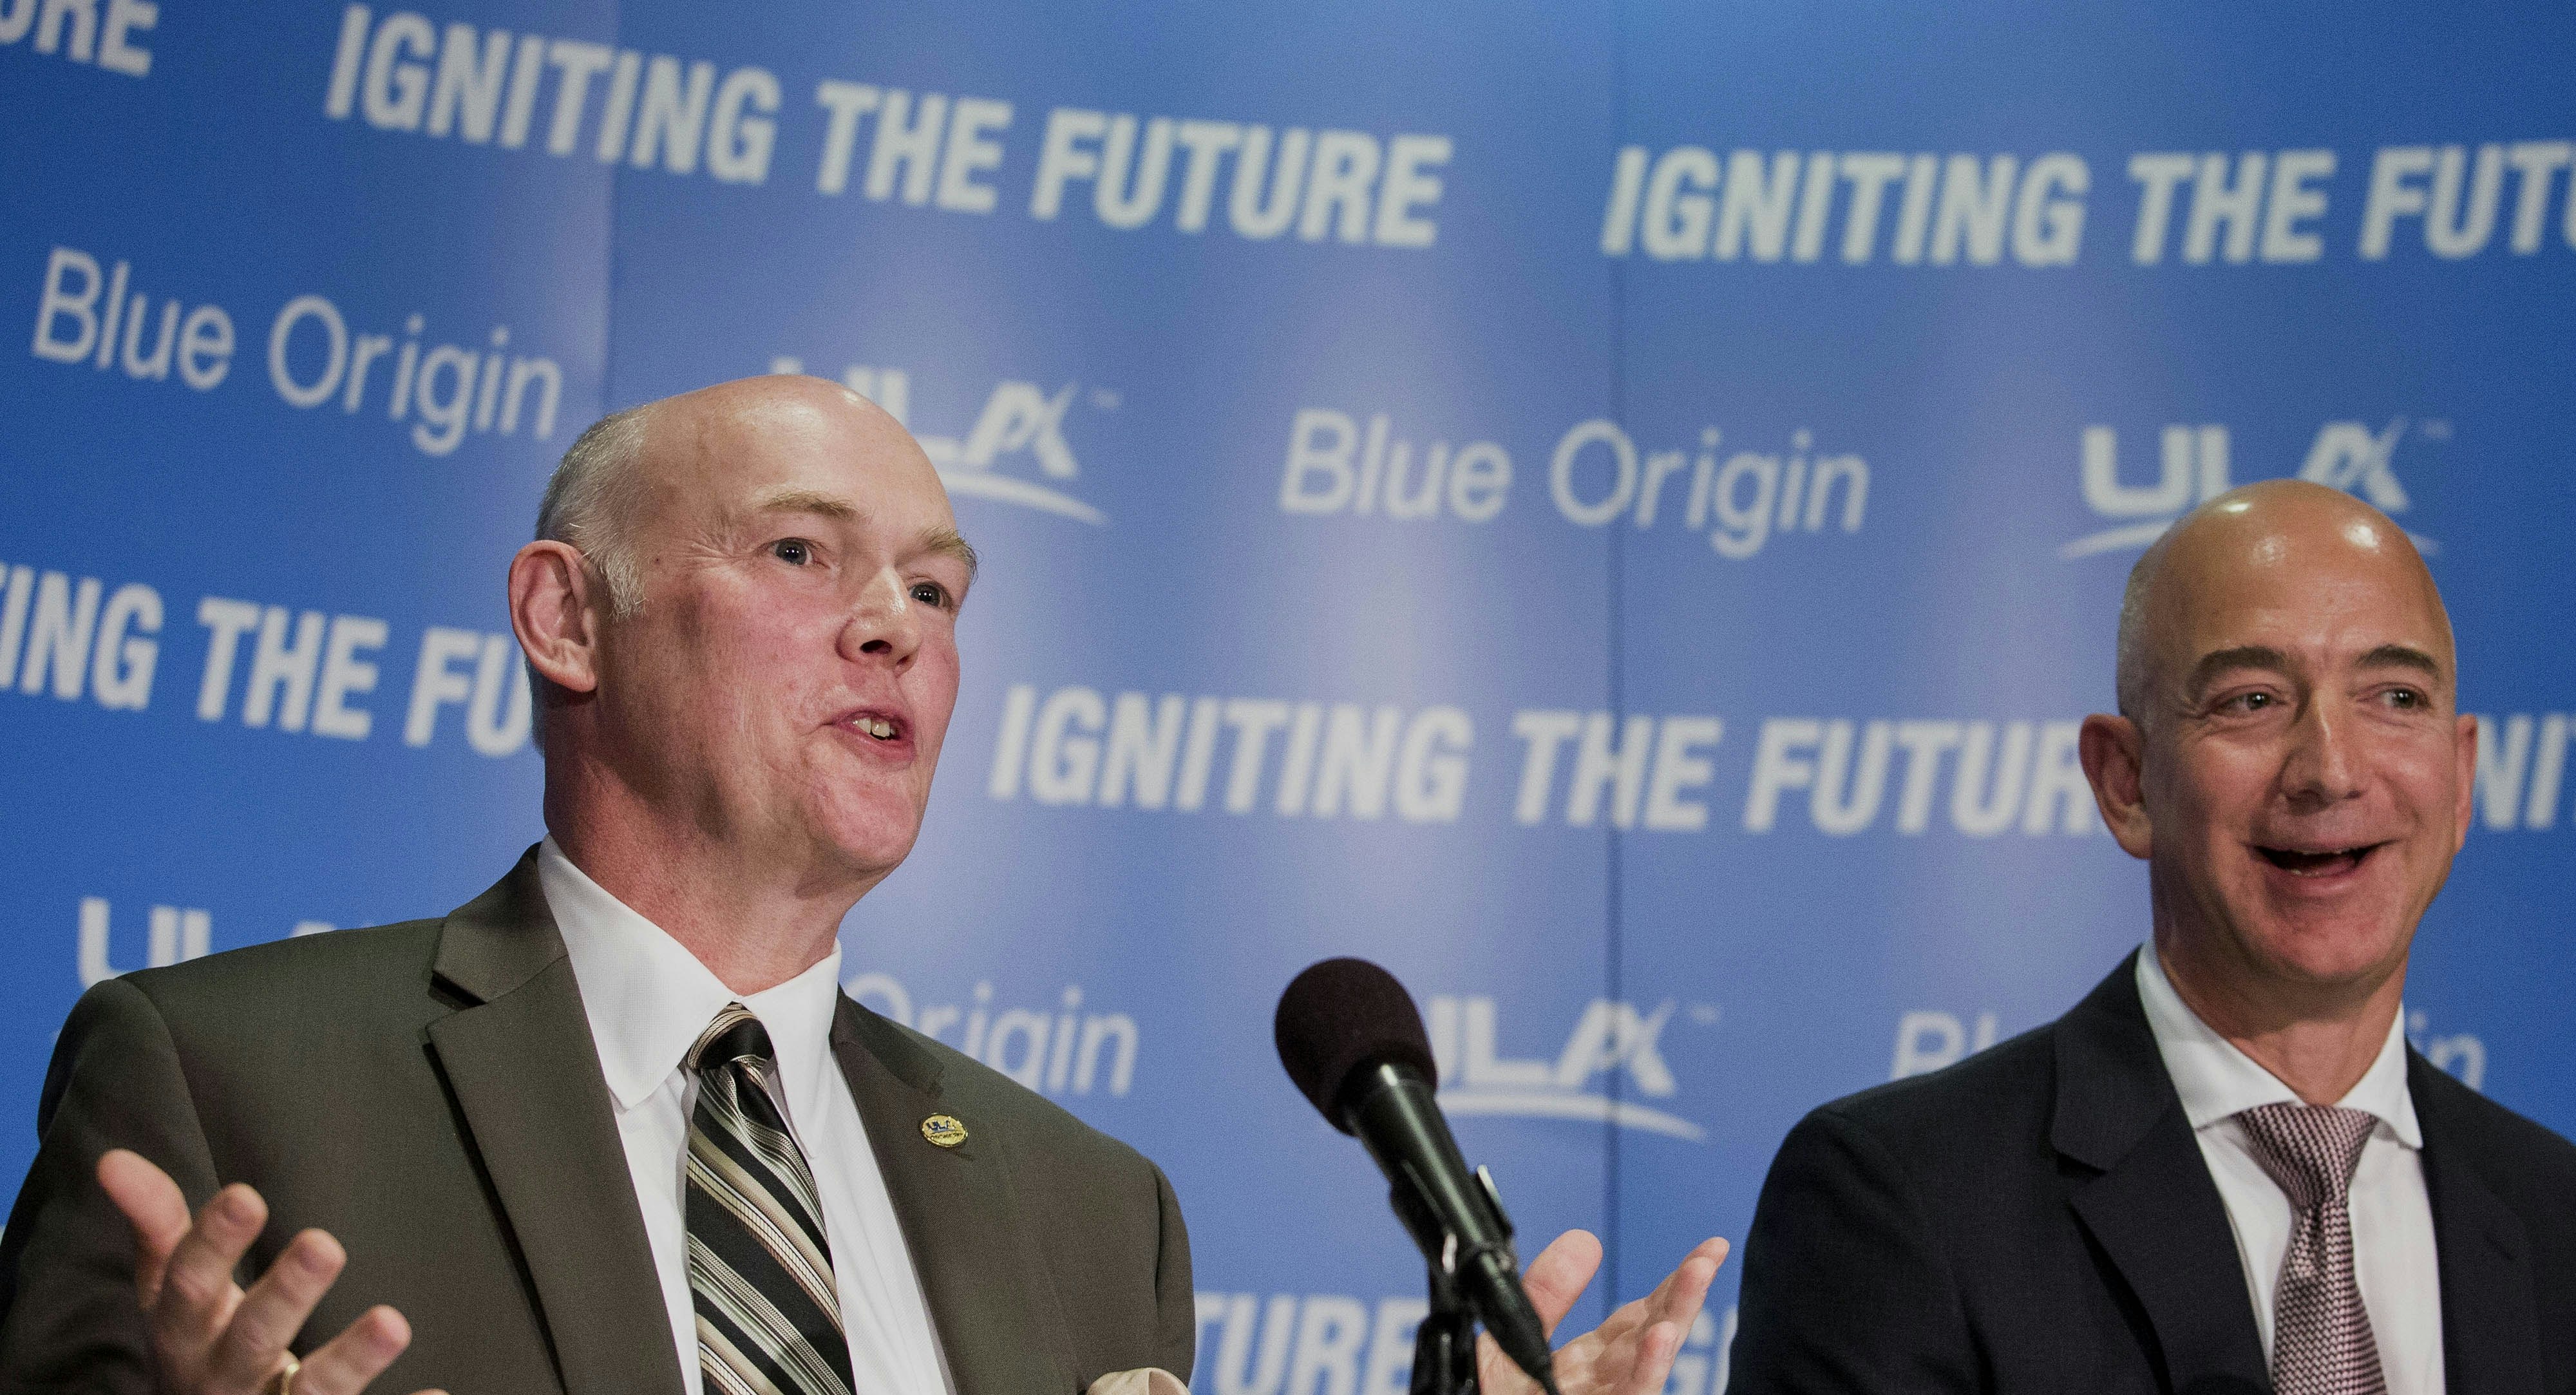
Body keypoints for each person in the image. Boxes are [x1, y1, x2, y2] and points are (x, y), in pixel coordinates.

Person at [0, 375, 1723, 1395]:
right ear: (567, 618)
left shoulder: (1091, 1213)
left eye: (937, 589)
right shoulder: (224, 1080)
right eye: (800, 552)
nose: (894, 623)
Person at [1728, 480, 2575, 1395]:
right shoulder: (1903, 1198)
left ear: (2461, 777)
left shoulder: (2557, 1216)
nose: (2331, 769)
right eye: (2252, 699)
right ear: (2125, 782)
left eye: (2397, 696)